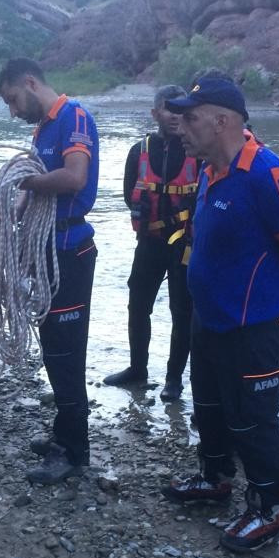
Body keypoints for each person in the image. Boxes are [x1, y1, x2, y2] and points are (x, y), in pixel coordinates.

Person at [160, 76, 279, 552]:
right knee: (208, 407)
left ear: (222, 120)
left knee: (254, 419)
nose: (179, 126)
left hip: (252, 327)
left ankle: (267, 508)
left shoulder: (265, 173)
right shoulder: (210, 170)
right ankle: (215, 478)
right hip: (209, 318)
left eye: (190, 117)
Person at [0, 58, 99, 485]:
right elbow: (37, 187)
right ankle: (63, 432)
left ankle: (73, 452)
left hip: (70, 252)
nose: (13, 111)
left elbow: (73, 179)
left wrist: (25, 184)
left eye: (14, 100)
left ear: (31, 84)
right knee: (54, 348)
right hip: (46, 250)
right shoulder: (41, 131)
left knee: (66, 354)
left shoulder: (74, 116)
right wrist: (15, 210)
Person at [104, 84, 197, 401]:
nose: (175, 116)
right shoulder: (138, 151)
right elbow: (129, 192)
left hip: (184, 246)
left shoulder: (197, 151)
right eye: (168, 110)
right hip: (149, 242)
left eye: (180, 110)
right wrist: (138, 210)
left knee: (181, 311)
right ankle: (137, 370)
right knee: (138, 305)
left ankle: (173, 381)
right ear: (155, 113)